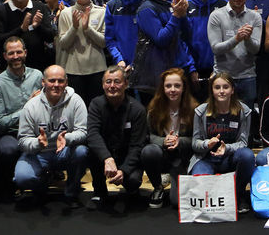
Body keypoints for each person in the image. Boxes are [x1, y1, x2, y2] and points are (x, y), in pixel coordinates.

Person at [13, 66, 89, 207]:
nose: (56, 85)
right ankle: (41, 187)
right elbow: (22, 140)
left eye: (60, 81)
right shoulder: (31, 106)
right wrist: (37, 143)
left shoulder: (76, 101)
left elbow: (83, 132)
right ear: (43, 82)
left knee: (82, 152)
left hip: (64, 152)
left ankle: (71, 193)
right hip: (39, 153)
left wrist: (67, 139)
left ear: (66, 82)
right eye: (52, 80)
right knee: (22, 177)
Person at [189, 72, 256, 213]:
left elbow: (243, 142)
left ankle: (238, 194)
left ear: (232, 90)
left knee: (248, 155)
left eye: (225, 87)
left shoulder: (244, 111)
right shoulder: (201, 111)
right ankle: (219, 200)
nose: (221, 91)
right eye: (217, 87)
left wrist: (227, 149)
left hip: (230, 158)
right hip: (206, 158)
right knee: (201, 183)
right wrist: (206, 144)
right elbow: (195, 143)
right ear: (212, 90)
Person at [0, 37, 43, 203]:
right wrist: (27, 107)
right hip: (11, 133)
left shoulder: (38, 75)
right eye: (11, 53)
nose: (16, 56)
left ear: (25, 53)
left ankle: (40, 183)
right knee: (7, 150)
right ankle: (8, 188)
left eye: (19, 52)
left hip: (36, 130)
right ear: (4, 56)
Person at [86, 66, 148, 210]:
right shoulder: (96, 104)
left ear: (126, 84)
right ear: (102, 85)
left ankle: (131, 191)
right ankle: (99, 192)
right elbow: (93, 134)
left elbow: (137, 145)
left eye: (117, 82)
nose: (112, 86)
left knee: (132, 180)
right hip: (105, 157)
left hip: (127, 157)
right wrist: (107, 158)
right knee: (88, 150)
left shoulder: (138, 109)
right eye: (108, 82)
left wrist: (124, 170)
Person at [134, 0, 196, 102]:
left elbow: (187, 35)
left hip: (178, 68)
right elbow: (161, 39)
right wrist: (176, 16)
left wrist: (183, 15)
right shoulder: (146, 9)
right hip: (157, 76)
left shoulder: (169, 5)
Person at [142, 68, 198, 209]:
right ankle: (157, 187)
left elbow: (197, 139)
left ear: (184, 87)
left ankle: (176, 178)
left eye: (177, 86)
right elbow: (149, 136)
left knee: (177, 202)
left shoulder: (194, 109)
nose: (172, 90)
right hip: (162, 153)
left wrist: (180, 141)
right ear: (163, 88)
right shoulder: (154, 109)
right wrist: (163, 141)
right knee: (148, 151)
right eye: (168, 86)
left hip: (182, 157)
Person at [208, 0, 263, 104]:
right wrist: (237, 38)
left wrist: (247, 39)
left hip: (247, 76)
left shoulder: (255, 17)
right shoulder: (216, 16)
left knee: (246, 119)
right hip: (222, 77)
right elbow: (216, 49)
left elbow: (255, 49)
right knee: (221, 117)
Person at [56, 0, 107, 103]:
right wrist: (74, 27)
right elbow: (63, 44)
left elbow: (104, 43)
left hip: (97, 69)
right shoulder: (66, 13)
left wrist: (87, 28)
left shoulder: (102, 12)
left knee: (96, 108)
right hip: (73, 71)